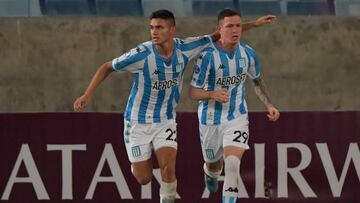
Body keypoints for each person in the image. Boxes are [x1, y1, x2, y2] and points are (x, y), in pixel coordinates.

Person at [73, 9, 276, 203]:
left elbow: (220, 34)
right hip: (138, 121)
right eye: (152, 28)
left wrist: (255, 24)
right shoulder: (141, 54)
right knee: (143, 178)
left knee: (169, 170)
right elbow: (107, 66)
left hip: (166, 120)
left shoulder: (185, 48)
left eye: (160, 28)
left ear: (172, 30)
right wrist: (87, 94)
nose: (154, 32)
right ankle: (141, 161)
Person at [189, 8, 280, 203]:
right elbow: (193, 92)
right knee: (214, 164)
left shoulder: (248, 54)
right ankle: (210, 172)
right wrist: (212, 94)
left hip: (237, 117)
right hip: (210, 118)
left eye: (238, 26)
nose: (235, 30)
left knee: (232, 165)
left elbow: (257, 81)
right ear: (219, 29)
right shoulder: (206, 56)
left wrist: (269, 104)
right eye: (230, 26)